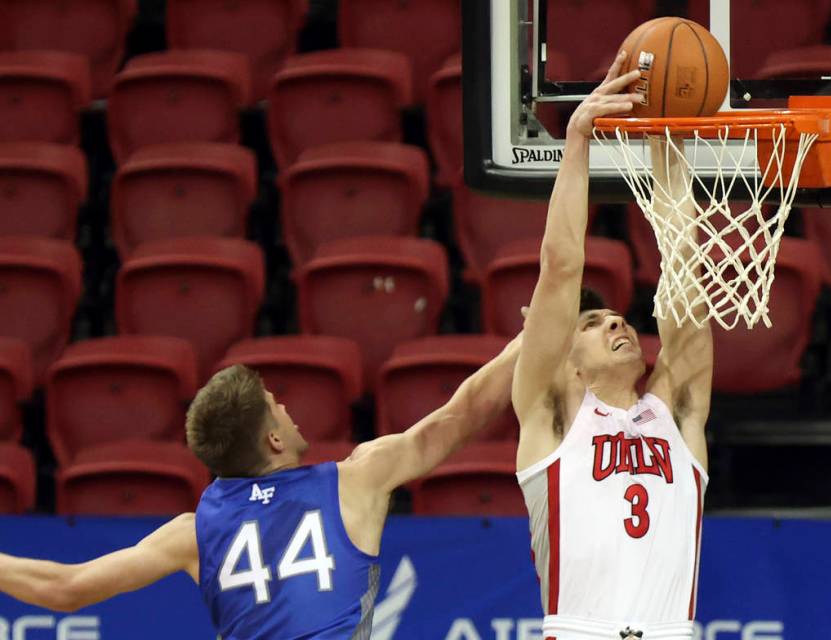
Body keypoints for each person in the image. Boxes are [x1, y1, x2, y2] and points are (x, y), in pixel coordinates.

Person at [0, 335, 521, 639]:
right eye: (278, 404)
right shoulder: (356, 479)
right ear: (274, 438)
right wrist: (540, 325)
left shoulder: (193, 533)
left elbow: (64, 588)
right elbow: (464, 413)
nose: (289, 410)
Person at [513, 50, 714, 640]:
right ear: (566, 362)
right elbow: (560, 266)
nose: (616, 324)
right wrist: (577, 138)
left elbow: (686, 285)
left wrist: (665, 144)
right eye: (593, 323)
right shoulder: (552, 414)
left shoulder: (675, 412)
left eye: (619, 318)